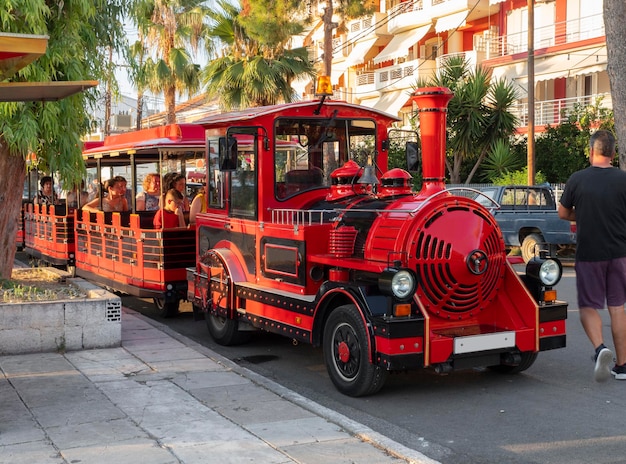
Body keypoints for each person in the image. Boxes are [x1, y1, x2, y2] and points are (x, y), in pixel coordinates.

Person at [558, 129, 626, 382]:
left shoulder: (578, 179)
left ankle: (600, 349)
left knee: (588, 306)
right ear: (613, 153)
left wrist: (583, 214)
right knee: (617, 307)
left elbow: (563, 214)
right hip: (619, 253)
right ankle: (623, 366)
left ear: (591, 152)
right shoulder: (623, 180)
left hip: (589, 254)